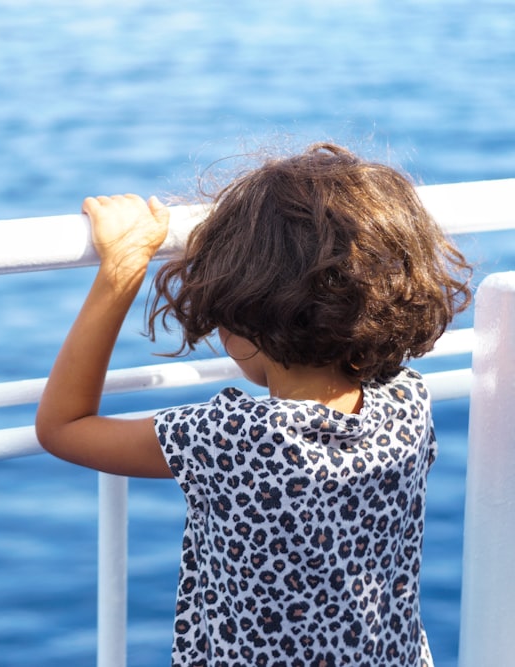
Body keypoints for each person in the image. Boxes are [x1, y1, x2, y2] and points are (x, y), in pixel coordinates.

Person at [35, 143, 472, 667]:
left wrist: (123, 265)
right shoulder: (407, 404)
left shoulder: (232, 438)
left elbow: (63, 425)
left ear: (243, 320)